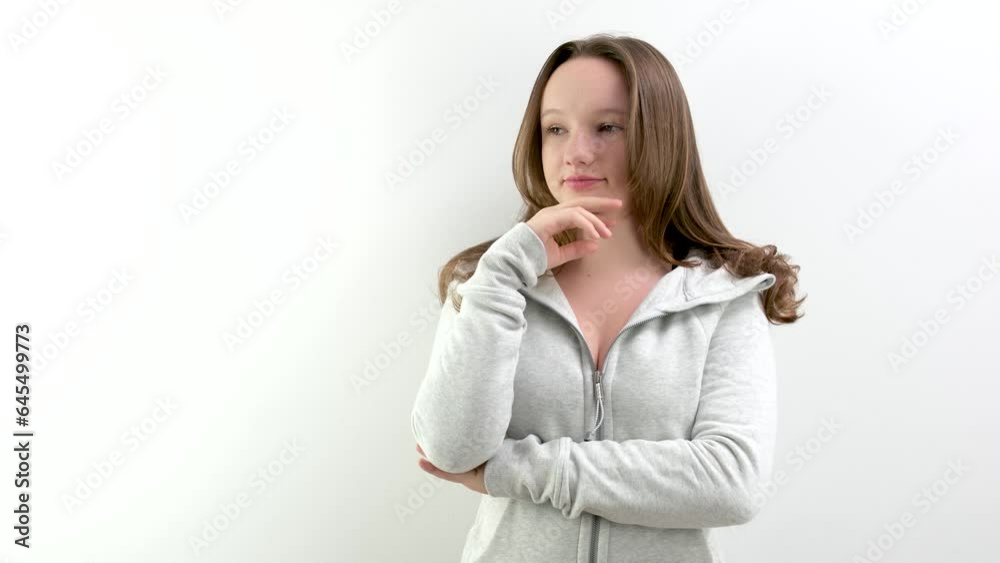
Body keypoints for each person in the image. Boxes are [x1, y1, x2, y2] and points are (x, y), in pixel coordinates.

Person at [411, 32, 805, 563]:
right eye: (555, 128)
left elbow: (731, 482)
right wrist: (504, 272)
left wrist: (511, 470)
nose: (576, 152)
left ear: (660, 137)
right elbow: (451, 450)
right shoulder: (487, 285)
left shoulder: (724, 297)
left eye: (608, 127)